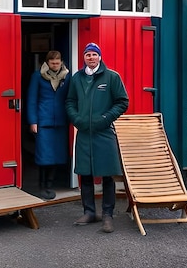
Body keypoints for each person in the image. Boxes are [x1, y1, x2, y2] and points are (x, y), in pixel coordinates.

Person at [65, 42, 129, 233]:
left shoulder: (111, 77)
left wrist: (105, 118)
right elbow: (70, 101)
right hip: (84, 132)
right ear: (84, 58)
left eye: (94, 54)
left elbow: (122, 102)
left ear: (100, 57)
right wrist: (76, 119)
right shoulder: (77, 78)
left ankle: (108, 215)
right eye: (87, 55)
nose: (91, 58)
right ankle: (90, 212)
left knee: (107, 175)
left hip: (104, 132)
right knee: (85, 174)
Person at [26, 50, 71, 200]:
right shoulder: (37, 76)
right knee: (44, 155)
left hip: (60, 121)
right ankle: (42, 186)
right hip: (43, 121)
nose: (55, 66)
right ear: (47, 63)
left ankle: (50, 185)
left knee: (57, 155)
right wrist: (33, 121)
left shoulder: (67, 76)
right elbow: (32, 99)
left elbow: (70, 98)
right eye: (52, 63)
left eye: (57, 63)